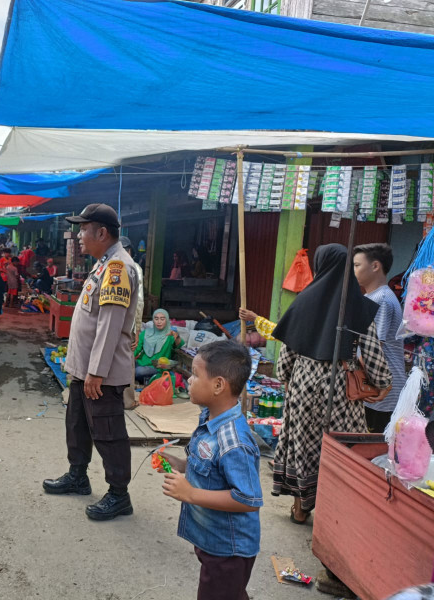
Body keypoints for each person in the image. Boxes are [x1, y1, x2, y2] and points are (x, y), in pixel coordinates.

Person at [271, 244, 391, 524]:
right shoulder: (357, 304)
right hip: (339, 387)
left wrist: (286, 378)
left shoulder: (303, 300)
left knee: (302, 443)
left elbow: (287, 352)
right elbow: (372, 352)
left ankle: (300, 509)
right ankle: (334, 513)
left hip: (303, 382)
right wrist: (384, 383)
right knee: (339, 447)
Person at [43, 203, 139, 521]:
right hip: (84, 369)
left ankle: (119, 494)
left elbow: (110, 325)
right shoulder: (103, 264)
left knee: (109, 433)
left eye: (84, 229)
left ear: (102, 233)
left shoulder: (117, 268)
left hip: (102, 374)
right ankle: (78, 476)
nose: (79, 235)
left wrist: (96, 372)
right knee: (78, 424)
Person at [158, 340, 262, 600]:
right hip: (213, 540)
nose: (189, 380)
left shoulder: (234, 441)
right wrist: (181, 465)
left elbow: (248, 499)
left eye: (195, 374)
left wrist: (190, 493)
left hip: (229, 550)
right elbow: (211, 467)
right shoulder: (208, 417)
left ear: (218, 385)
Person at [353, 243, 406, 434]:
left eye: (357, 265)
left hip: (381, 391)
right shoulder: (373, 297)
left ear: (375, 266)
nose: (354, 270)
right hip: (374, 386)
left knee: (374, 444)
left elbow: (373, 349)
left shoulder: (381, 299)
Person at [121, 236, 145, 409]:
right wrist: (137, 329)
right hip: (126, 325)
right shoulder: (135, 268)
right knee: (127, 361)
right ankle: (127, 401)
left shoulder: (105, 266)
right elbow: (139, 302)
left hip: (109, 324)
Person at [134, 309, 183, 383]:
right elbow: (137, 349)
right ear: (153, 320)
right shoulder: (145, 333)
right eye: (156, 319)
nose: (159, 322)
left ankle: (155, 377)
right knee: (126, 367)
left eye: (162, 319)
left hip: (156, 367)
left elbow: (179, 344)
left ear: (166, 320)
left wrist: (177, 336)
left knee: (138, 372)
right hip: (141, 363)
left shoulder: (170, 335)